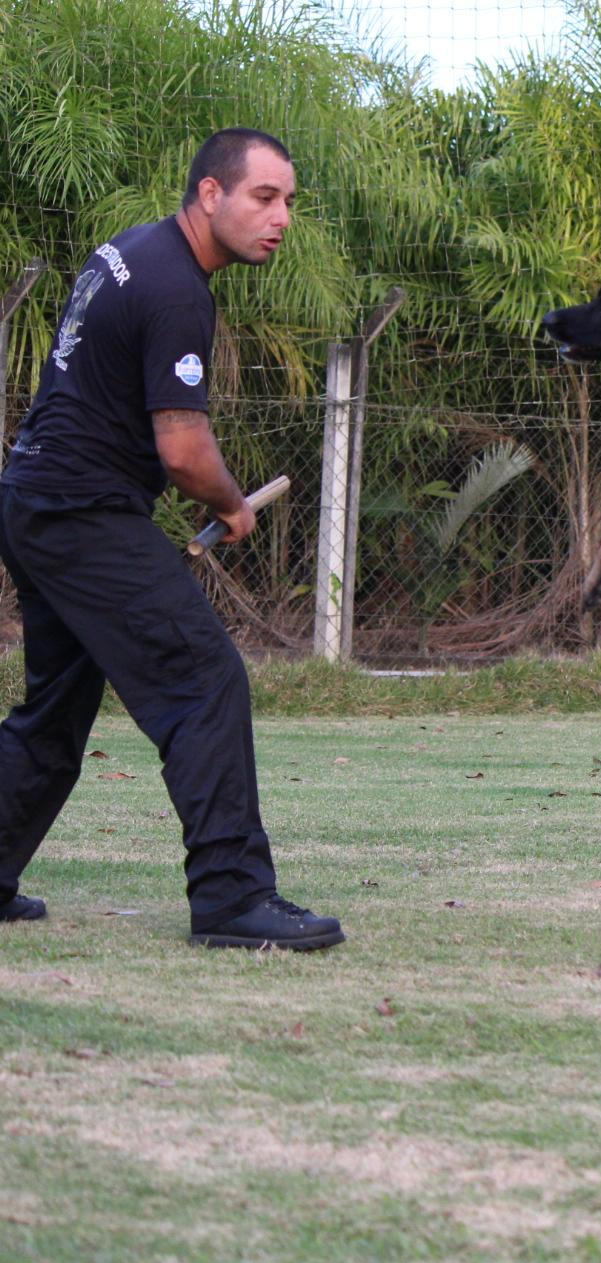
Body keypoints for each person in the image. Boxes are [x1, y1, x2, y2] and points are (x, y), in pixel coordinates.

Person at [0, 128, 343, 950]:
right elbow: (184, 450)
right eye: (265, 197)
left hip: (35, 499)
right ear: (212, 194)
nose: (282, 218)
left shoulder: (130, 250)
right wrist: (232, 505)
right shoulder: (176, 286)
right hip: (82, 514)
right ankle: (231, 898)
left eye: (289, 201)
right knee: (205, 680)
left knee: (53, 712)